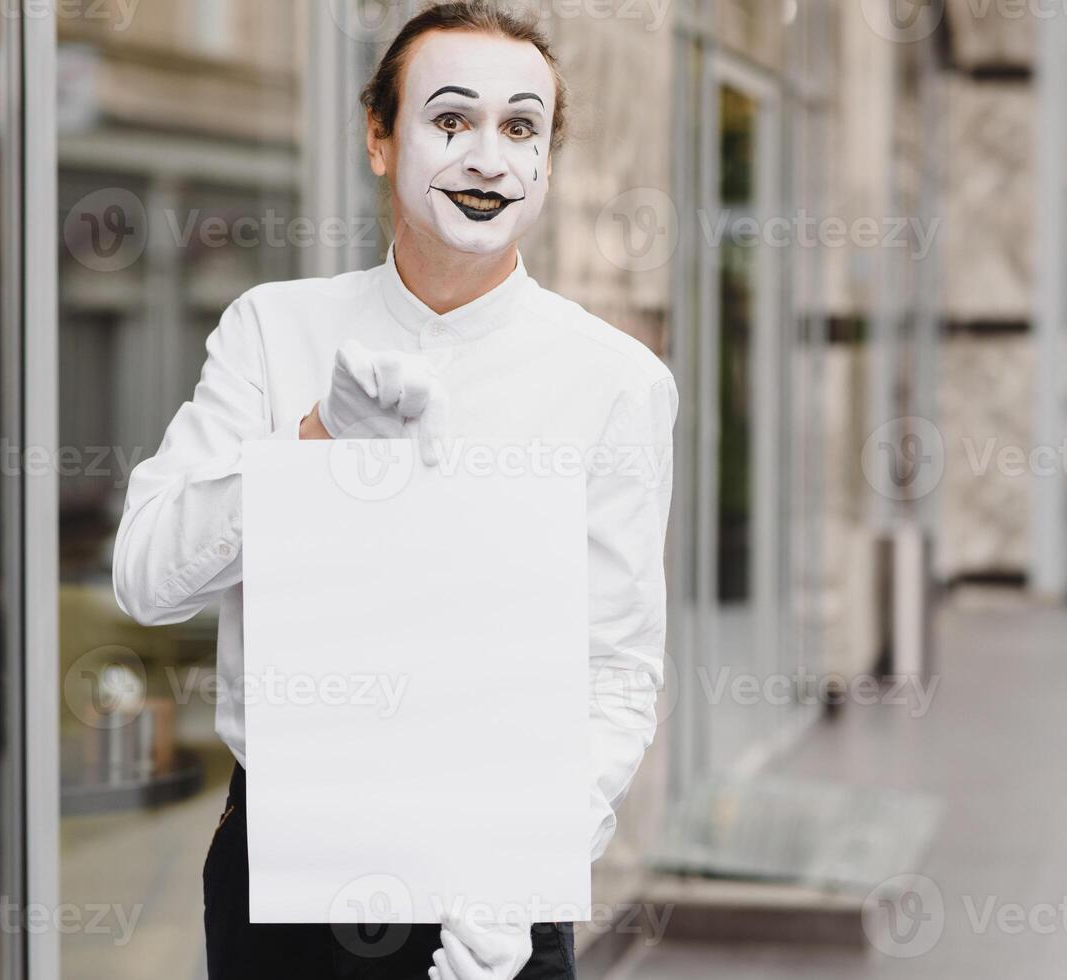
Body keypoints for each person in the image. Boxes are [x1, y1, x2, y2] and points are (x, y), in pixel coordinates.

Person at [111, 4, 677, 978]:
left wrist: (531, 867)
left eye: (520, 127)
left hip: (497, 872)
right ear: (380, 139)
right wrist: (313, 449)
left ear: (546, 160)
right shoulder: (270, 330)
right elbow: (147, 579)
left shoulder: (616, 381)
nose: (488, 158)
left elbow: (617, 668)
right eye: (450, 120)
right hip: (284, 865)